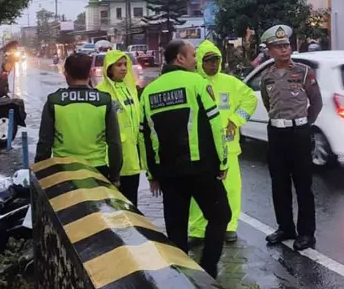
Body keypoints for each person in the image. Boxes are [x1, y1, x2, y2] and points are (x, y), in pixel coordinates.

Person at [139, 39, 231, 278]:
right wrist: (223, 162)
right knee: (221, 216)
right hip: (201, 169)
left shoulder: (149, 91)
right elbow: (215, 125)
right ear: (179, 59)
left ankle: (181, 278)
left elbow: (145, 136)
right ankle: (208, 269)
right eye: (192, 55)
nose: (195, 60)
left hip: (168, 174)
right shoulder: (197, 83)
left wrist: (151, 174)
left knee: (176, 229)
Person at [258, 25, 323, 251]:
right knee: (279, 184)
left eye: (286, 45)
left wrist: (304, 124)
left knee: (303, 185)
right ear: (269, 51)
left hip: (299, 134)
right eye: (278, 47)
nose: (284, 50)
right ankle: (285, 227)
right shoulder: (266, 77)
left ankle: (306, 234)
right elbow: (269, 104)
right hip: (276, 134)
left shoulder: (304, 72)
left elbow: (316, 102)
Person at [188, 40, 258, 244]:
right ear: (200, 62)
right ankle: (198, 229)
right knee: (199, 191)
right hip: (201, 149)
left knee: (231, 189)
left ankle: (229, 226)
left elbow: (250, 100)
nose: (213, 65)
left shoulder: (230, 83)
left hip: (228, 148)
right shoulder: (193, 84)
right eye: (209, 61)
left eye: (216, 61)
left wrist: (236, 121)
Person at [35, 53, 122, 186]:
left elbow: (44, 144)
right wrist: (114, 176)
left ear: (66, 74)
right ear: (90, 73)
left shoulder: (54, 101)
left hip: (62, 170)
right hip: (97, 171)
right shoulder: (104, 101)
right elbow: (114, 143)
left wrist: (41, 175)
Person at [96, 50, 143, 206]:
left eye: (125, 64)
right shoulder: (101, 92)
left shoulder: (131, 89)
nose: (123, 68)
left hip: (132, 159)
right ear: (109, 68)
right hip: (113, 160)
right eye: (118, 65)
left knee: (132, 205)